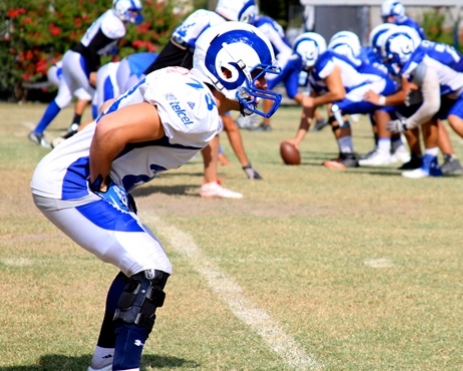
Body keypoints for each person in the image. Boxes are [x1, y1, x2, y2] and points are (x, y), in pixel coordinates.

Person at [30, 22, 281, 371]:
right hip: (71, 181)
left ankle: (105, 362)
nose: (264, 86)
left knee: (138, 266)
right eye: (258, 75)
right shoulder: (197, 110)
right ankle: (121, 367)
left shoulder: (186, 85)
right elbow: (110, 128)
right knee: (150, 268)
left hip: (69, 172)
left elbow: (108, 117)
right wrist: (102, 182)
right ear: (227, 71)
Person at [143, 0, 267, 197]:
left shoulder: (204, 16)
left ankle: (211, 181)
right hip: (170, 82)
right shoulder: (220, 27)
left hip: (161, 76)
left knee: (213, 122)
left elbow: (176, 49)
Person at [382, 29, 463, 182]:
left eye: (392, 58)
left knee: (456, 119)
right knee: (427, 115)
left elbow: (431, 106)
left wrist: (407, 124)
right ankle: (430, 165)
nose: (391, 62)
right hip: (462, 86)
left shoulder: (425, 64)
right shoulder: (420, 52)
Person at [28, 0, 143, 147]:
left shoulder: (110, 17)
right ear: (123, 9)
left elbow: (98, 45)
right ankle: (96, 139)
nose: (135, 15)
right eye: (133, 11)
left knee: (63, 98)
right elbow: (93, 48)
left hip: (72, 56)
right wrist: (94, 70)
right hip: (80, 58)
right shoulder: (116, 26)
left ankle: (37, 131)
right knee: (96, 95)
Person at [284, 32, 397, 169]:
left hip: (376, 83)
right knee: (335, 107)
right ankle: (349, 154)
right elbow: (308, 110)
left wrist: (313, 102)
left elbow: (338, 93)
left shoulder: (325, 62)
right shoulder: (314, 72)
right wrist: (297, 141)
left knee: (336, 108)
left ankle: (349, 157)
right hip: (369, 85)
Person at [248, 10, 294, 131]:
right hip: (291, 55)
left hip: (284, 56)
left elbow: (260, 47)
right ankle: (319, 118)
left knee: (265, 87)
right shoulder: (265, 20)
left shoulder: (261, 25)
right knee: (294, 94)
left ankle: (266, 124)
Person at [32, 61, 92, 148]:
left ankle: (74, 126)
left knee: (83, 94)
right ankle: (74, 126)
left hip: (63, 70)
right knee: (81, 95)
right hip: (59, 71)